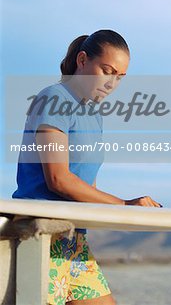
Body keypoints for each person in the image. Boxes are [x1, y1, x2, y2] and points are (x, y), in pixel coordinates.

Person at [13, 29, 160, 305]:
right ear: (82, 60)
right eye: (107, 70)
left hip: (74, 239)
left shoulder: (93, 115)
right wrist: (125, 206)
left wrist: (126, 214)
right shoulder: (53, 99)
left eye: (120, 77)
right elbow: (58, 179)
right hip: (41, 235)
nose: (112, 83)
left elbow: (86, 185)